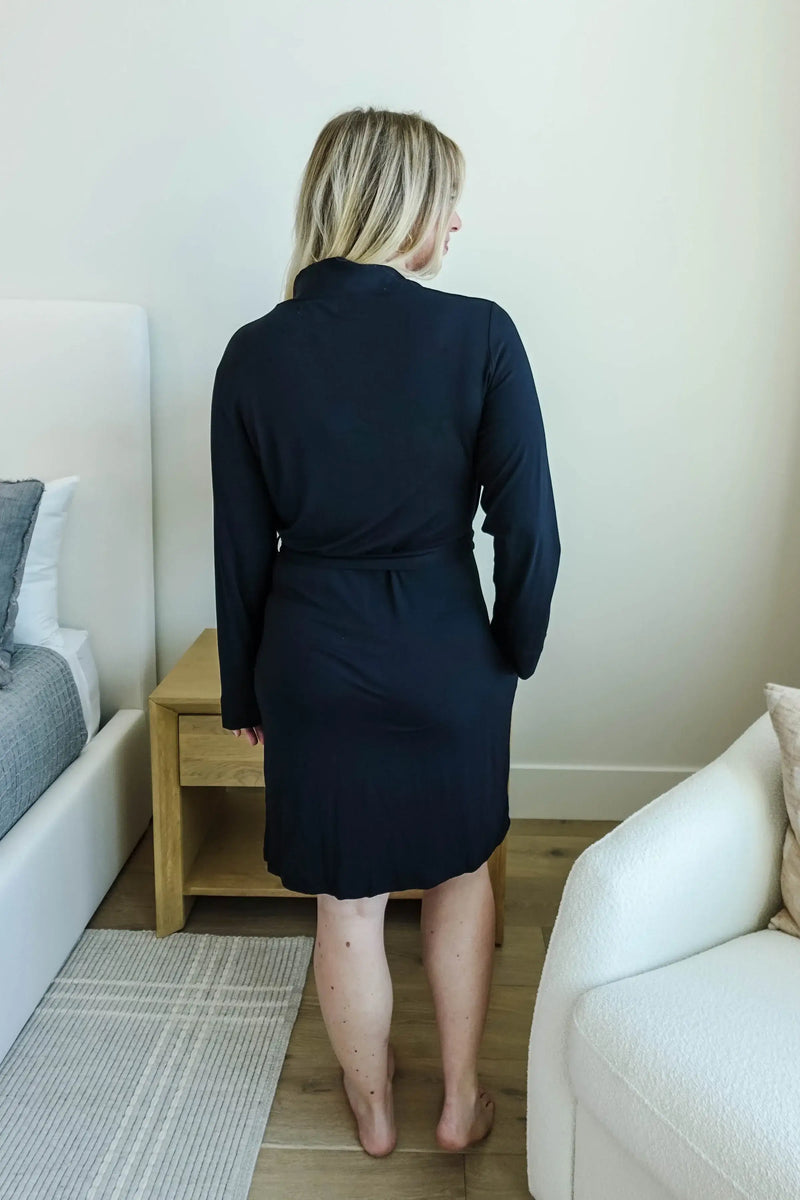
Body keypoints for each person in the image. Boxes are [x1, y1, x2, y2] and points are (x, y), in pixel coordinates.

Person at [209, 106, 560, 1159]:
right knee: (460, 877)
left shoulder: (251, 354)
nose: (455, 224)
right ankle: (460, 1103)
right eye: (446, 201)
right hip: (447, 652)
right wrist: (511, 651)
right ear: (401, 204)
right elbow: (529, 528)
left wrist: (245, 691)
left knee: (348, 903)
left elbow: (239, 548)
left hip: (313, 654)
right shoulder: (481, 333)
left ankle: (371, 1116)